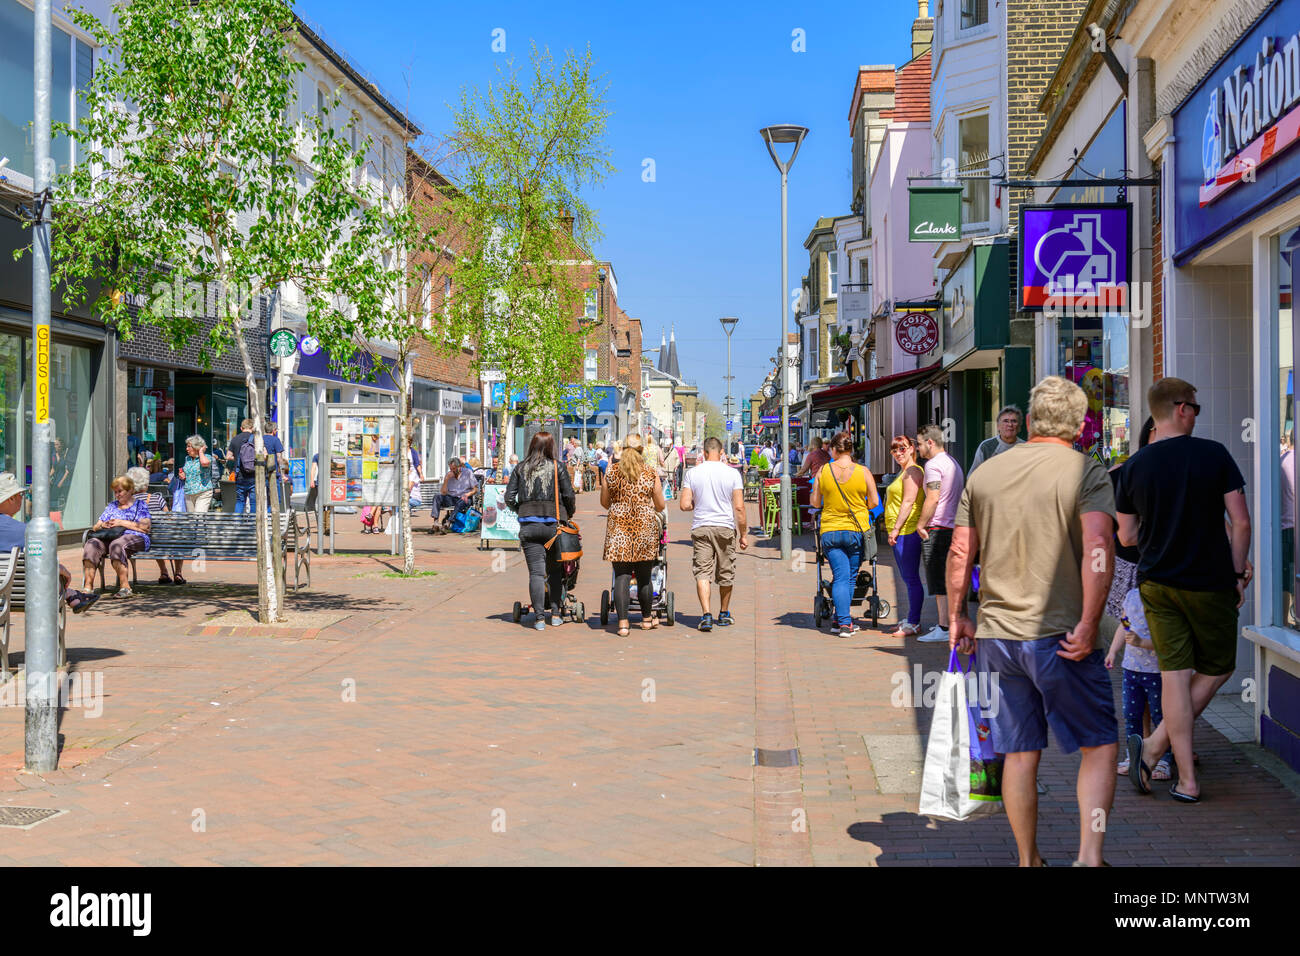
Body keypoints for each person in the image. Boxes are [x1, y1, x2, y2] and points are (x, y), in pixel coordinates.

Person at [948, 375, 1117, 867]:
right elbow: (1099, 548)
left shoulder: (986, 474)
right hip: (1061, 634)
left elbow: (960, 551)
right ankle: (1089, 857)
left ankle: (1028, 859)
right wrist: (1089, 621)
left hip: (998, 637)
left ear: (1033, 416)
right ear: (1078, 422)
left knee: (1018, 754)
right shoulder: (1085, 472)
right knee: (1100, 745)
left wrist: (959, 617)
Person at [1117, 377, 1252, 803]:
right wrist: (1236, 573)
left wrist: (1162, 530)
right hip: (1209, 582)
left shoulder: (1135, 465)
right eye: (1195, 406)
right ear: (1180, 408)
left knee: (1174, 677)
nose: (1197, 413)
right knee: (1217, 667)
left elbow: (1126, 536)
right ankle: (1159, 751)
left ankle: (1178, 771)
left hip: (1156, 584)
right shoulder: (1214, 455)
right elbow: (1242, 522)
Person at [809, 431, 880, 637]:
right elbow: (874, 502)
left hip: (830, 530)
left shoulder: (823, 471)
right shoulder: (863, 471)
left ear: (833, 449)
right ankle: (845, 624)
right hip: (856, 530)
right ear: (851, 450)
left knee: (841, 576)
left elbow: (814, 502)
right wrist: (860, 505)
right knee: (848, 577)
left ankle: (840, 620)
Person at [504, 431, 576, 631]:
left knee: (536, 573)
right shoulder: (557, 467)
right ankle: (554, 614)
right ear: (550, 446)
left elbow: (509, 497)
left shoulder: (520, 467)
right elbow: (569, 495)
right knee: (554, 571)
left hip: (529, 526)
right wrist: (567, 514)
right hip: (553, 525)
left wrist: (522, 510)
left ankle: (538, 618)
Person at [0, 473, 97, 613]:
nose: (22, 498)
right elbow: (45, 564)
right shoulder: (27, 532)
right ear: (10, 499)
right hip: (23, 597)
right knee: (51, 574)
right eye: (20, 494)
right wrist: (62, 569)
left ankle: (71, 595)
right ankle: (71, 595)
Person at [601, 434, 667, 636]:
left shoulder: (611, 472)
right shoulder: (649, 472)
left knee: (621, 575)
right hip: (644, 526)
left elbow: (604, 502)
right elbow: (660, 504)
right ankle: (647, 619)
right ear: (641, 452)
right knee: (644, 576)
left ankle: (622, 624)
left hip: (619, 526)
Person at [680, 436, 747, 631]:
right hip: (725, 527)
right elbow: (740, 508)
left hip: (701, 527)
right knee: (726, 572)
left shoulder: (693, 473)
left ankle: (706, 615)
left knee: (702, 572)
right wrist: (743, 535)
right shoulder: (732, 474)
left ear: (704, 452)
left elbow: (684, 505)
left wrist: (695, 503)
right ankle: (724, 614)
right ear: (722, 451)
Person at [1106, 588, 1172, 781]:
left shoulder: (1164, 599)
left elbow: (1168, 640)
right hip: (1131, 670)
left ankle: (1164, 760)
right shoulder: (1131, 596)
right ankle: (1132, 756)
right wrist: (1112, 651)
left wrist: (1142, 642)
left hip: (1156, 672)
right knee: (1131, 715)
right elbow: (1124, 624)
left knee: (1160, 716)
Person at [915, 423, 965, 644]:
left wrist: (921, 524)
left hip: (938, 527)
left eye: (918, 444)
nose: (918, 449)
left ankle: (944, 627)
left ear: (930, 442)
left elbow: (933, 497)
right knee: (950, 578)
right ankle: (951, 624)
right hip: (953, 526)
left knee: (938, 580)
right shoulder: (952, 462)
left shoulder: (934, 466)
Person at [1106, 417, 1155, 621]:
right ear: (1151, 432)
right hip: (1131, 565)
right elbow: (1123, 536)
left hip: (1162, 570)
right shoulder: (1124, 472)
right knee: (1132, 633)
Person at [82, 475, 153, 598]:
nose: (117, 495)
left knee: (117, 545)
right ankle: (88, 588)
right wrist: (103, 524)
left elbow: (145, 527)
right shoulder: (112, 506)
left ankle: (125, 587)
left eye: (120, 491)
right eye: (115, 492)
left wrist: (121, 522)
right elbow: (95, 527)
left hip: (134, 537)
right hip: (109, 537)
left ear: (130, 490)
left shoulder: (140, 505)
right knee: (90, 545)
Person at [884, 436, 926, 638]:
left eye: (902, 448)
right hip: (901, 531)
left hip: (907, 531)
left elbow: (908, 502)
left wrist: (896, 529)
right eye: (894, 450)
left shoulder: (913, 472)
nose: (898, 453)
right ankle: (910, 618)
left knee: (911, 578)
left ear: (911, 449)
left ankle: (914, 622)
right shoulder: (904, 472)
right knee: (907, 578)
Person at [128, 466, 182, 585]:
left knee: (155, 536)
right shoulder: (157, 498)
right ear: (146, 484)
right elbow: (169, 518)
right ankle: (178, 573)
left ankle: (164, 571)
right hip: (162, 539)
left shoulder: (129, 502)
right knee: (177, 537)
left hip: (143, 540)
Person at [968, 405, 1026, 474]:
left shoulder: (1025, 447)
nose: (1010, 424)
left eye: (1014, 421)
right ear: (998, 426)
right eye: (1006, 421)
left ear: (1019, 427)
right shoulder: (986, 447)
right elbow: (973, 476)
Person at [434, 457, 477, 531]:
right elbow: (443, 492)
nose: (452, 471)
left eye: (454, 469)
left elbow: (475, 489)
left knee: (461, 501)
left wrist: (468, 494)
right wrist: (446, 480)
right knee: (437, 497)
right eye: (451, 469)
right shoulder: (449, 475)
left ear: (459, 467)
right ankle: (435, 523)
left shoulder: (468, 472)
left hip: (465, 497)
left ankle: (448, 522)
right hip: (452, 497)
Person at [178, 435, 215, 514]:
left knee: (199, 517)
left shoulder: (207, 457)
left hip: (203, 492)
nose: (186, 449)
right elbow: (187, 471)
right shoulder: (187, 458)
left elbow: (204, 463)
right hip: (189, 493)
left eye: (189, 446)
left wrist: (201, 451)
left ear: (196, 447)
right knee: (192, 520)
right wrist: (182, 474)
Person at [226, 419, 257, 513]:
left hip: (239, 475)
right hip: (253, 474)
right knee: (253, 502)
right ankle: (252, 525)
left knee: (240, 501)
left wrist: (238, 458)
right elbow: (264, 454)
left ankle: (237, 524)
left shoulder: (235, 439)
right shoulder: (256, 439)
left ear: (241, 428)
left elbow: (228, 456)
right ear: (252, 428)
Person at [1283, 431, 1295, 625]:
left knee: (1285, 581)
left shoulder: (1281, 459)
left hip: (1284, 528)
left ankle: (1284, 624)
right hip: (1295, 527)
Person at [305, 453, 332, 535]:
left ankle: (323, 527)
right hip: (328, 481)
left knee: (322, 504)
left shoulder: (317, 456)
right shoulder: (327, 455)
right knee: (327, 504)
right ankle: (327, 527)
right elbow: (313, 468)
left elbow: (313, 468)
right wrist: (312, 480)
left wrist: (312, 480)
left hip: (321, 482)